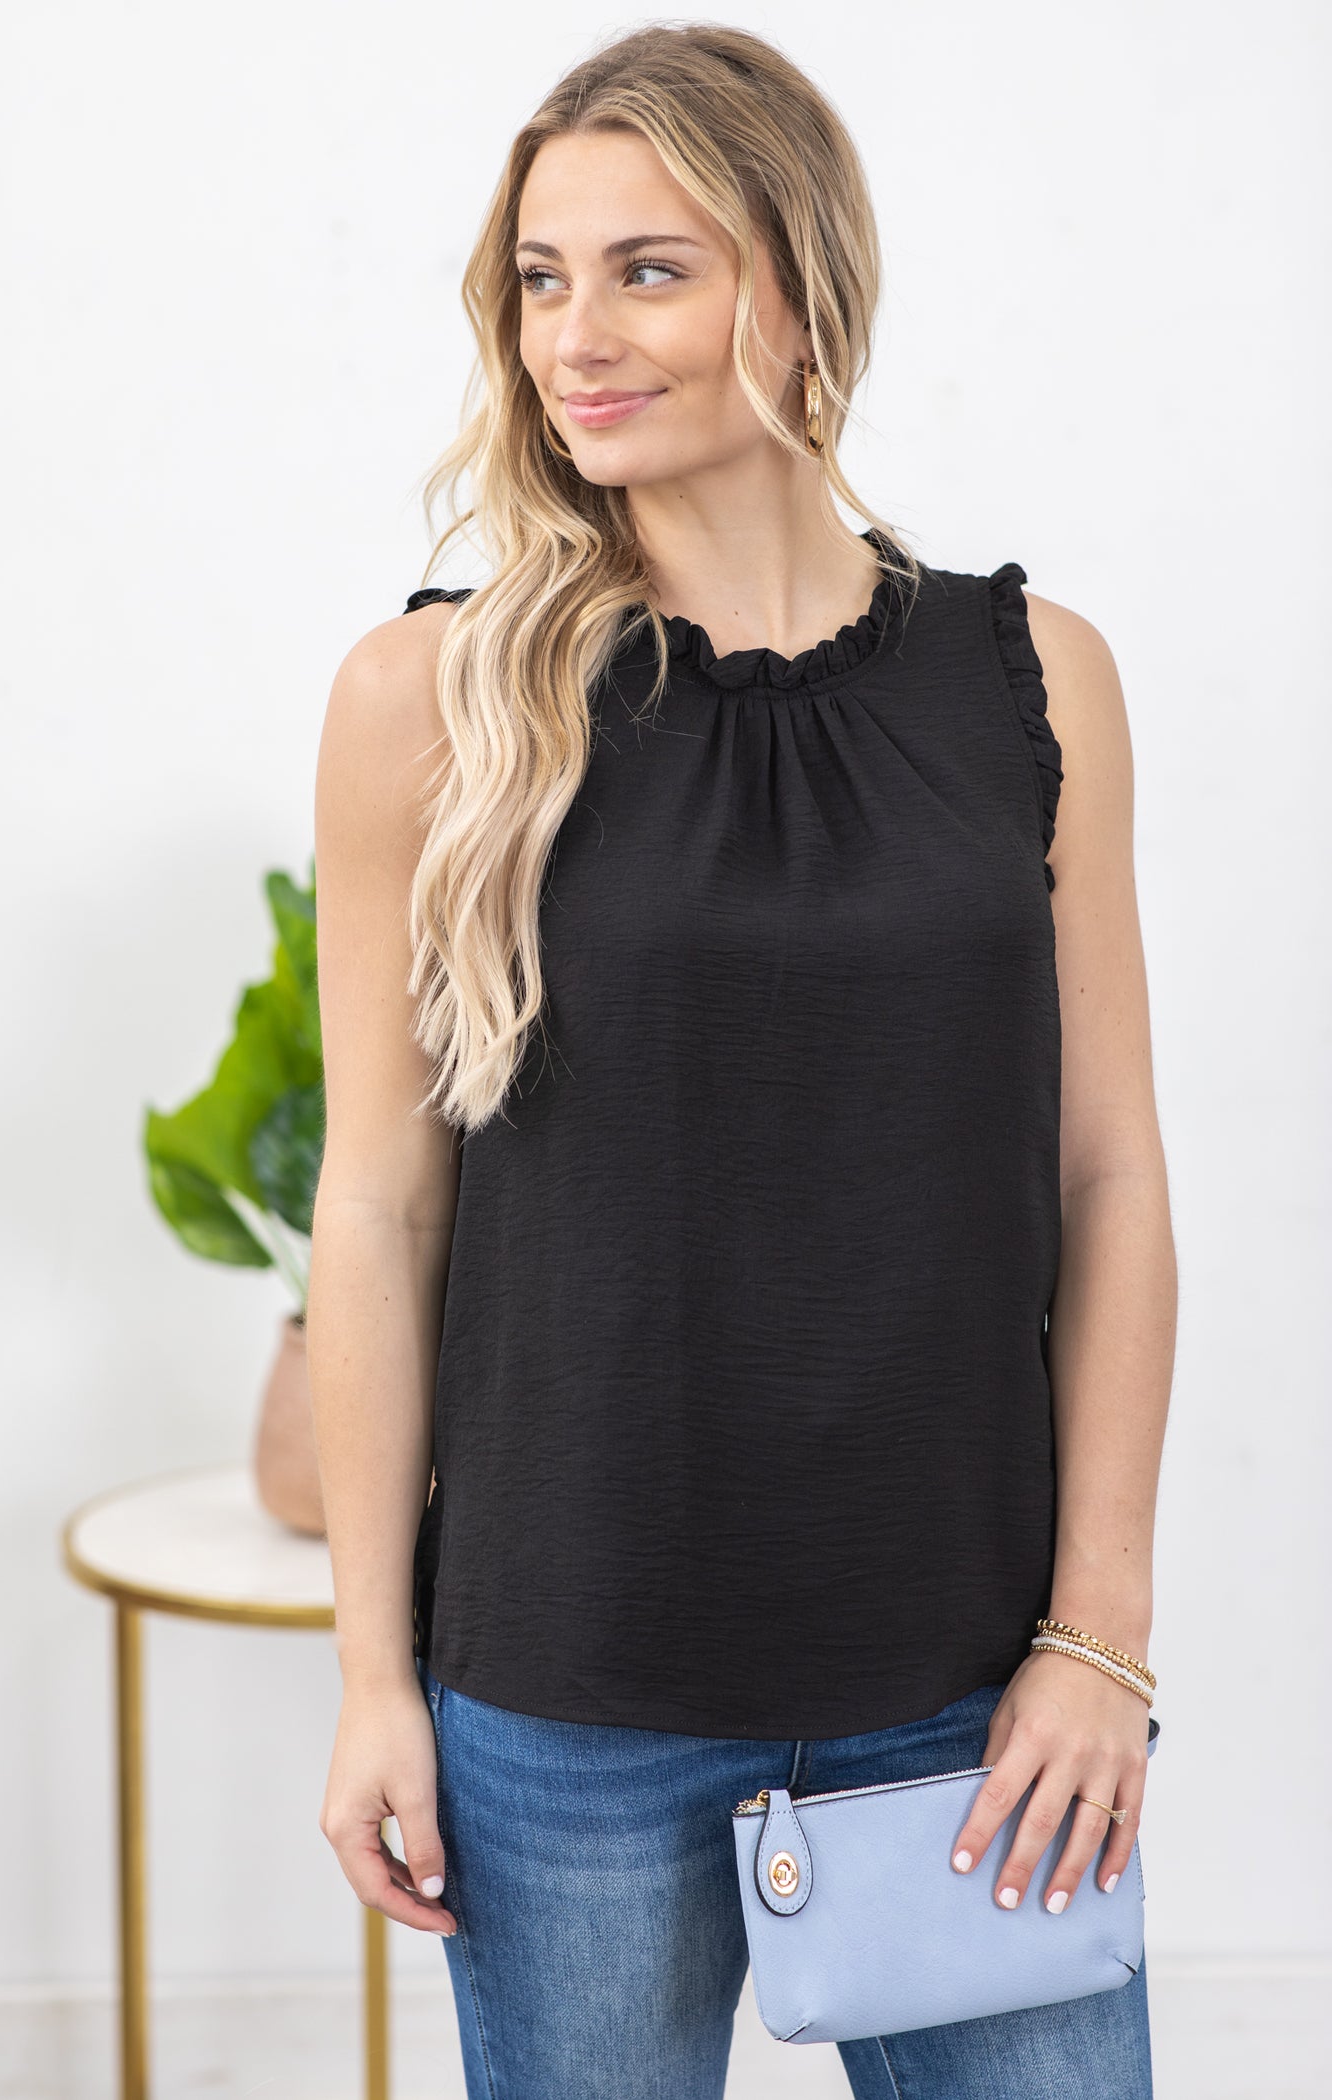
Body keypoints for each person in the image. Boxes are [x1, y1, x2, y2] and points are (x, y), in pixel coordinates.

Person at [309, 22, 1177, 2099]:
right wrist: (369, 1681)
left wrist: (1099, 1636)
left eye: (649, 270)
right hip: (564, 1698)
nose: (575, 338)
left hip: (972, 1692)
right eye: (542, 278)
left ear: (799, 291)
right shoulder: (431, 697)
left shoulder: (1032, 682)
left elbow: (1108, 1178)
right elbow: (380, 1206)